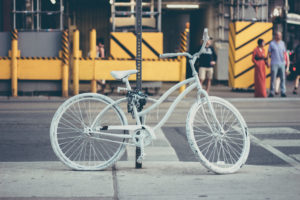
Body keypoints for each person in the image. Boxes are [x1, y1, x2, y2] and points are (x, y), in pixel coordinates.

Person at [268, 32, 288, 97]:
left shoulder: (283, 43)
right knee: (273, 78)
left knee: (283, 78)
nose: (279, 36)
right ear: (275, 36)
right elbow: (268, 53)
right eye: (278, 35)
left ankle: (283, 92)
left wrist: (286, 62)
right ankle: (271, 92)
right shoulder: (272, 43)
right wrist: (268, 61)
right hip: (274, 63)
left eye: (280, 35)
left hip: (282, 63)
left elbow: (284, 53)